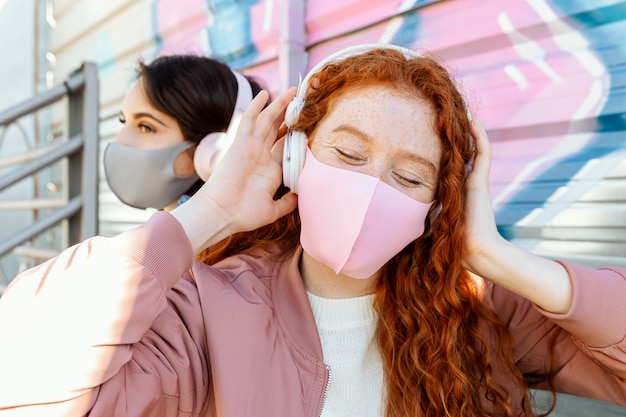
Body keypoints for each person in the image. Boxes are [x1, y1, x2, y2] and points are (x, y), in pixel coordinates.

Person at [0, 43, 625, 417]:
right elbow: (23, 378)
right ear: (295, 159)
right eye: (349, 156)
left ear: (439, 204)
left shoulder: (485, 308)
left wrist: (494, 255)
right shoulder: (204, 308)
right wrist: (210, 211)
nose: (372, 189)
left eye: (410, 178)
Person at [103, 53, 266, 211]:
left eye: (146, 127)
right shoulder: (166, 234)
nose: (118, 141)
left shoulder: (183, 238)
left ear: (214, 151)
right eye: (124, 122)